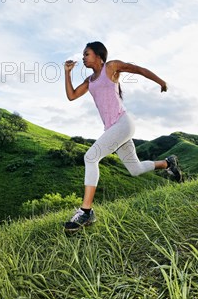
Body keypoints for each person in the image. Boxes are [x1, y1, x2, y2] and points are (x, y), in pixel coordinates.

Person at [63, 41, 183, 233]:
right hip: (114, 129)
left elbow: (138, 69)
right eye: (83, 54)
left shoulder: (111, 68)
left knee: (90, 157)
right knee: (135, 169)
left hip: (123, 124)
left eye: (87, 54)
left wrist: (161, 82)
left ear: (98, 55)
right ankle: (168, 164)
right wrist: (67, 73)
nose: (83, 57)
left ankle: (86, 211)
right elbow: (72, 96)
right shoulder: (90, 81)